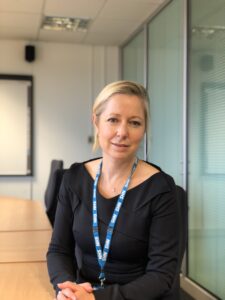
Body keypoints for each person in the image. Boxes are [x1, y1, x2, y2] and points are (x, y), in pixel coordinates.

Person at [47, 80, 180, 300]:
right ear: (96, 122)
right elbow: (59, 250)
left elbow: (162, 275)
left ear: (144, 128)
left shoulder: (160, 189)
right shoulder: (74, 179)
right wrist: (67, 289)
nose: (122, 132)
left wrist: (97, 299)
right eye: (113, 120)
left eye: (135, 123)